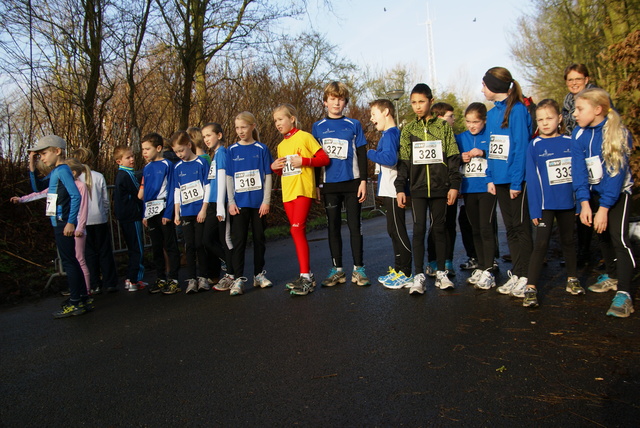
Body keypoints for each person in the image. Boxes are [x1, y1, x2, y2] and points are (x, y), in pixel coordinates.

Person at [571, 87, 635, 317]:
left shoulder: (618, 133)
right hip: (594, 192)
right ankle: (613, 275)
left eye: (580, 109)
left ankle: (625, 294)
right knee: (602, 236)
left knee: (619, 239)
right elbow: (578, 170)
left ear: (598, 109)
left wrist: (605, 208)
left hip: (617, 194)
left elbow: (615, 176)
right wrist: (584, 202)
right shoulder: (579, 133)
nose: (574, 114)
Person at [395, 83, 461, 294]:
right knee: (419, 229)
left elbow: (453, 157)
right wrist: (400, 188)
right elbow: (403, 162)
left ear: (431, 101)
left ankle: (441, 272)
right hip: (418, 188)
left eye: (421, 101)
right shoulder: (408, 130)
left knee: (439, 229)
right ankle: (418, 275)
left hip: (441, 188)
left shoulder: (443, 128)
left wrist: (454, 185)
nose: (417, 106)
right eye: (413, 102)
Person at [12, 136, 87, 318]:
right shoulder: (55, 172)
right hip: (58, 221)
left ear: (57, 151)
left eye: (44, 153)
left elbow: (75, 196)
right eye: (39, 155)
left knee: (69, 262)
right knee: (71, 261)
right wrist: (31, 163)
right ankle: (82, 298)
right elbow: (38, 187)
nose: (42, 158)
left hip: (63, 222)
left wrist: (70, 221)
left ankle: (76, 302)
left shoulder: (63, 171)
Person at [522, 99, 583, 308]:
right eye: (540, 119)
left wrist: (582, 202)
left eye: (549, 118)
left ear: (559, 118)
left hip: (568, 202)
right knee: (540, 245)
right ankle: (530, 288)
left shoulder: (570, 141)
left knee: (568, 241)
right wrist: (534, 209)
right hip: (545, 206)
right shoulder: (535, 145)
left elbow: (579, 173)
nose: (545, 123)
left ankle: (572, 279)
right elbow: (531, 178)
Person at [312, 81, 371, 287]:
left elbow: (362, 153)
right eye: (332, 99)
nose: (336, 103)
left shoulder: (354, 124)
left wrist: (363, 180)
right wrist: (315, 185)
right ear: (325, 102)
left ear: (345, 101)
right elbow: (315, 158)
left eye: (340, 99)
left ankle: (359, 269)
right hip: (330, 186)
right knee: (333, 228)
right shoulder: (317, 127)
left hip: (353, 183)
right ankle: (337, 270)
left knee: (355, 226)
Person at [482, 67, 533, 298]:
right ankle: (517, 272)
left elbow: (521, 147)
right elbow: (492, 148)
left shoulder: (519, 110)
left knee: (521, 228)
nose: (482, 88)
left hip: (515, 181)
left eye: (484, 84)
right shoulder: (492, 114)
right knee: (510, 227)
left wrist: (516, 181)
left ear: (494, 86)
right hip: (499, 180)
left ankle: (526, 277)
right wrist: (490, 177)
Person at [271, 104, 330, 295]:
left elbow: (324, 159)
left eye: (281, 119)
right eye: (275, 121)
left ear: (292, 118)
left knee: (296, 229)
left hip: (303, 190)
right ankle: (306, 275)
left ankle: (306, 276)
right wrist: (275, 168)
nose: (278, 124)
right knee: (297, 233)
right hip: (288, 194)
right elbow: (284, 172)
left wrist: (304, 161)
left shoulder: (304, 137)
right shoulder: (281, 146)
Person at [226, 111, 274, 296]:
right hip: (239, 204)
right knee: (239, 241)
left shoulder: (262, 149)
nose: (240, 131)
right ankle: (238, 279)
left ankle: (258, 274)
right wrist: (230, 201)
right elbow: (229, 178)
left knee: (259, 239)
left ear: (253, 126)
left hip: (259, 204)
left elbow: (267, 176)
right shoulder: (231, 150)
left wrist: (266, 201)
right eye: (237, 128)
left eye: (243, 127)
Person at [366, 99, 412, 289]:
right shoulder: (387, 134)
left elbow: (391, 159)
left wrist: (371, 153)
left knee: (398, 231)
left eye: (373, 114)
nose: (371, 118)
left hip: (394, 191)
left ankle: (406, 273)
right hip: (388, 189)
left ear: (386, 112)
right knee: (392, 231)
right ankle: (398, 269)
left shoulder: (392, 134)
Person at [456, 103, 498, 290]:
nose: (472, 126)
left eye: (476, 122)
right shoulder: (461, 138)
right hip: (469, 188)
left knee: (486, 227)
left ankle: (489, 267)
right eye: (468, 121)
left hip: (487, 188)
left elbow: (499, 155)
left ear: (484, 121)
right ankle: (481, 266)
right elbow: (452, 158)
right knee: (475, 229)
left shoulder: (490, 136)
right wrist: (460, 158)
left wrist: (484, 153)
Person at [561, 64, 597, 266]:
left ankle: (604, 254)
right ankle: (581, 251)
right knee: (579, 204)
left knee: (597, 203)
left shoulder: (597, 99)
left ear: (586, 79)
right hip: (574, 158)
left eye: (578, 79)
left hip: (593, 156)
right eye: (570, 80)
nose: (574, 83)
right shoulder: (566, 104)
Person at [138, 132, 181, 295]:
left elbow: (171, 190)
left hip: (164, 209)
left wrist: (168, 213)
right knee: (156, 247)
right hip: (151, 211)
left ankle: (174, 279)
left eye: (147, 149)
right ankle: (161, 278)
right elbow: (146, 193)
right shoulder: (147, 168)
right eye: (143, 149)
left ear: (158, 148)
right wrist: (144, 214)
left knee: (169, 244)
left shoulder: (168, 165)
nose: (144, 152)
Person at [71, 147, 118, 294]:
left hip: (82, 221)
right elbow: (105, 200)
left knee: (89, 253)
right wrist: (104, 213)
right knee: (104, 251)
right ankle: (110, 282)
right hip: (100, 219)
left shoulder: (75, 179)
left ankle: (94, 283)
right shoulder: (98, 176)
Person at [170, 131, 210, 294]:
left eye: (181, 150)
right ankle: (191, 279)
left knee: (200, 244)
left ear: (189, 145)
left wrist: (204, 209)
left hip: (199, 210)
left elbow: (207, 186)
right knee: (190, 245)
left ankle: (203, 277)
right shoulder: (177, 167)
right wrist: (177, 213)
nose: (179, 154)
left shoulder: (201, 162)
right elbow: (177, 190)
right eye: (176, 152)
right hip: (185, 212)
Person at [201, 122, 235, 292]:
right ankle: (230, 264)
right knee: (208, 239)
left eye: (209, 135)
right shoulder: (214, 155)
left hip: (221, 203)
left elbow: (222, 179)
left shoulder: (222, 153)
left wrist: (221, 206)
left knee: (224, 239)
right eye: (204, 136)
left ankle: (232, 272)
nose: (206, 139)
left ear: (219, 135)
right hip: (214, 204)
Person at [113, 145, 146, 291]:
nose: (132, 159)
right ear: (119, 161)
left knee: (133, 247)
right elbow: (138, 193)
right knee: (137, 248)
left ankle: (130, 278)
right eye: (128, 157)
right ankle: (134, 279)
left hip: (125, 216)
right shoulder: (127, 175)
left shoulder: (123, 175)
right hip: (131, 217)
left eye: (132, 156)